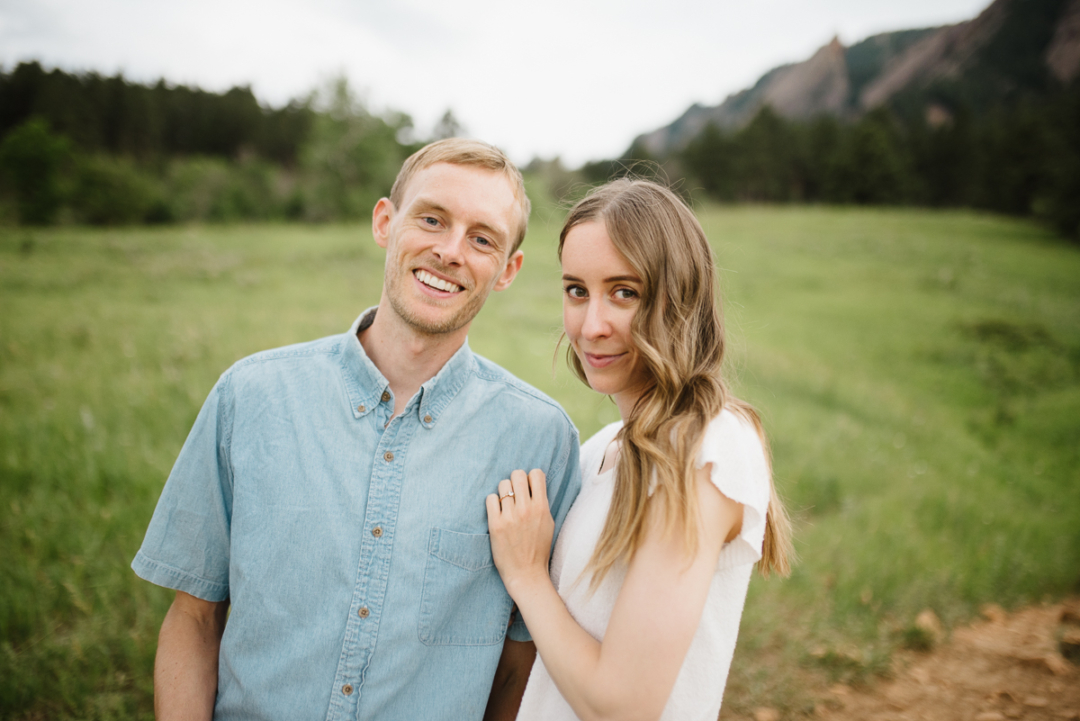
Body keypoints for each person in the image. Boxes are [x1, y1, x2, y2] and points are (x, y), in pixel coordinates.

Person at [132, 138, 582, 721]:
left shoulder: (538, 442)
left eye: (482, 238)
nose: (450, 251)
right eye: (431, 219)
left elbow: (521, 665)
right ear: (384, 222)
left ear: (507, 271)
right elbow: (194, 618)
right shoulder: (251, 397)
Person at [486, 179, 793, 721]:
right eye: (577, 290)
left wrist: (527, 577)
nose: (592, 325)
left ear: (680, 296)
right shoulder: (599, 450)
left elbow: (622, 705)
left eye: (624, 292)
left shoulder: (708, 447)